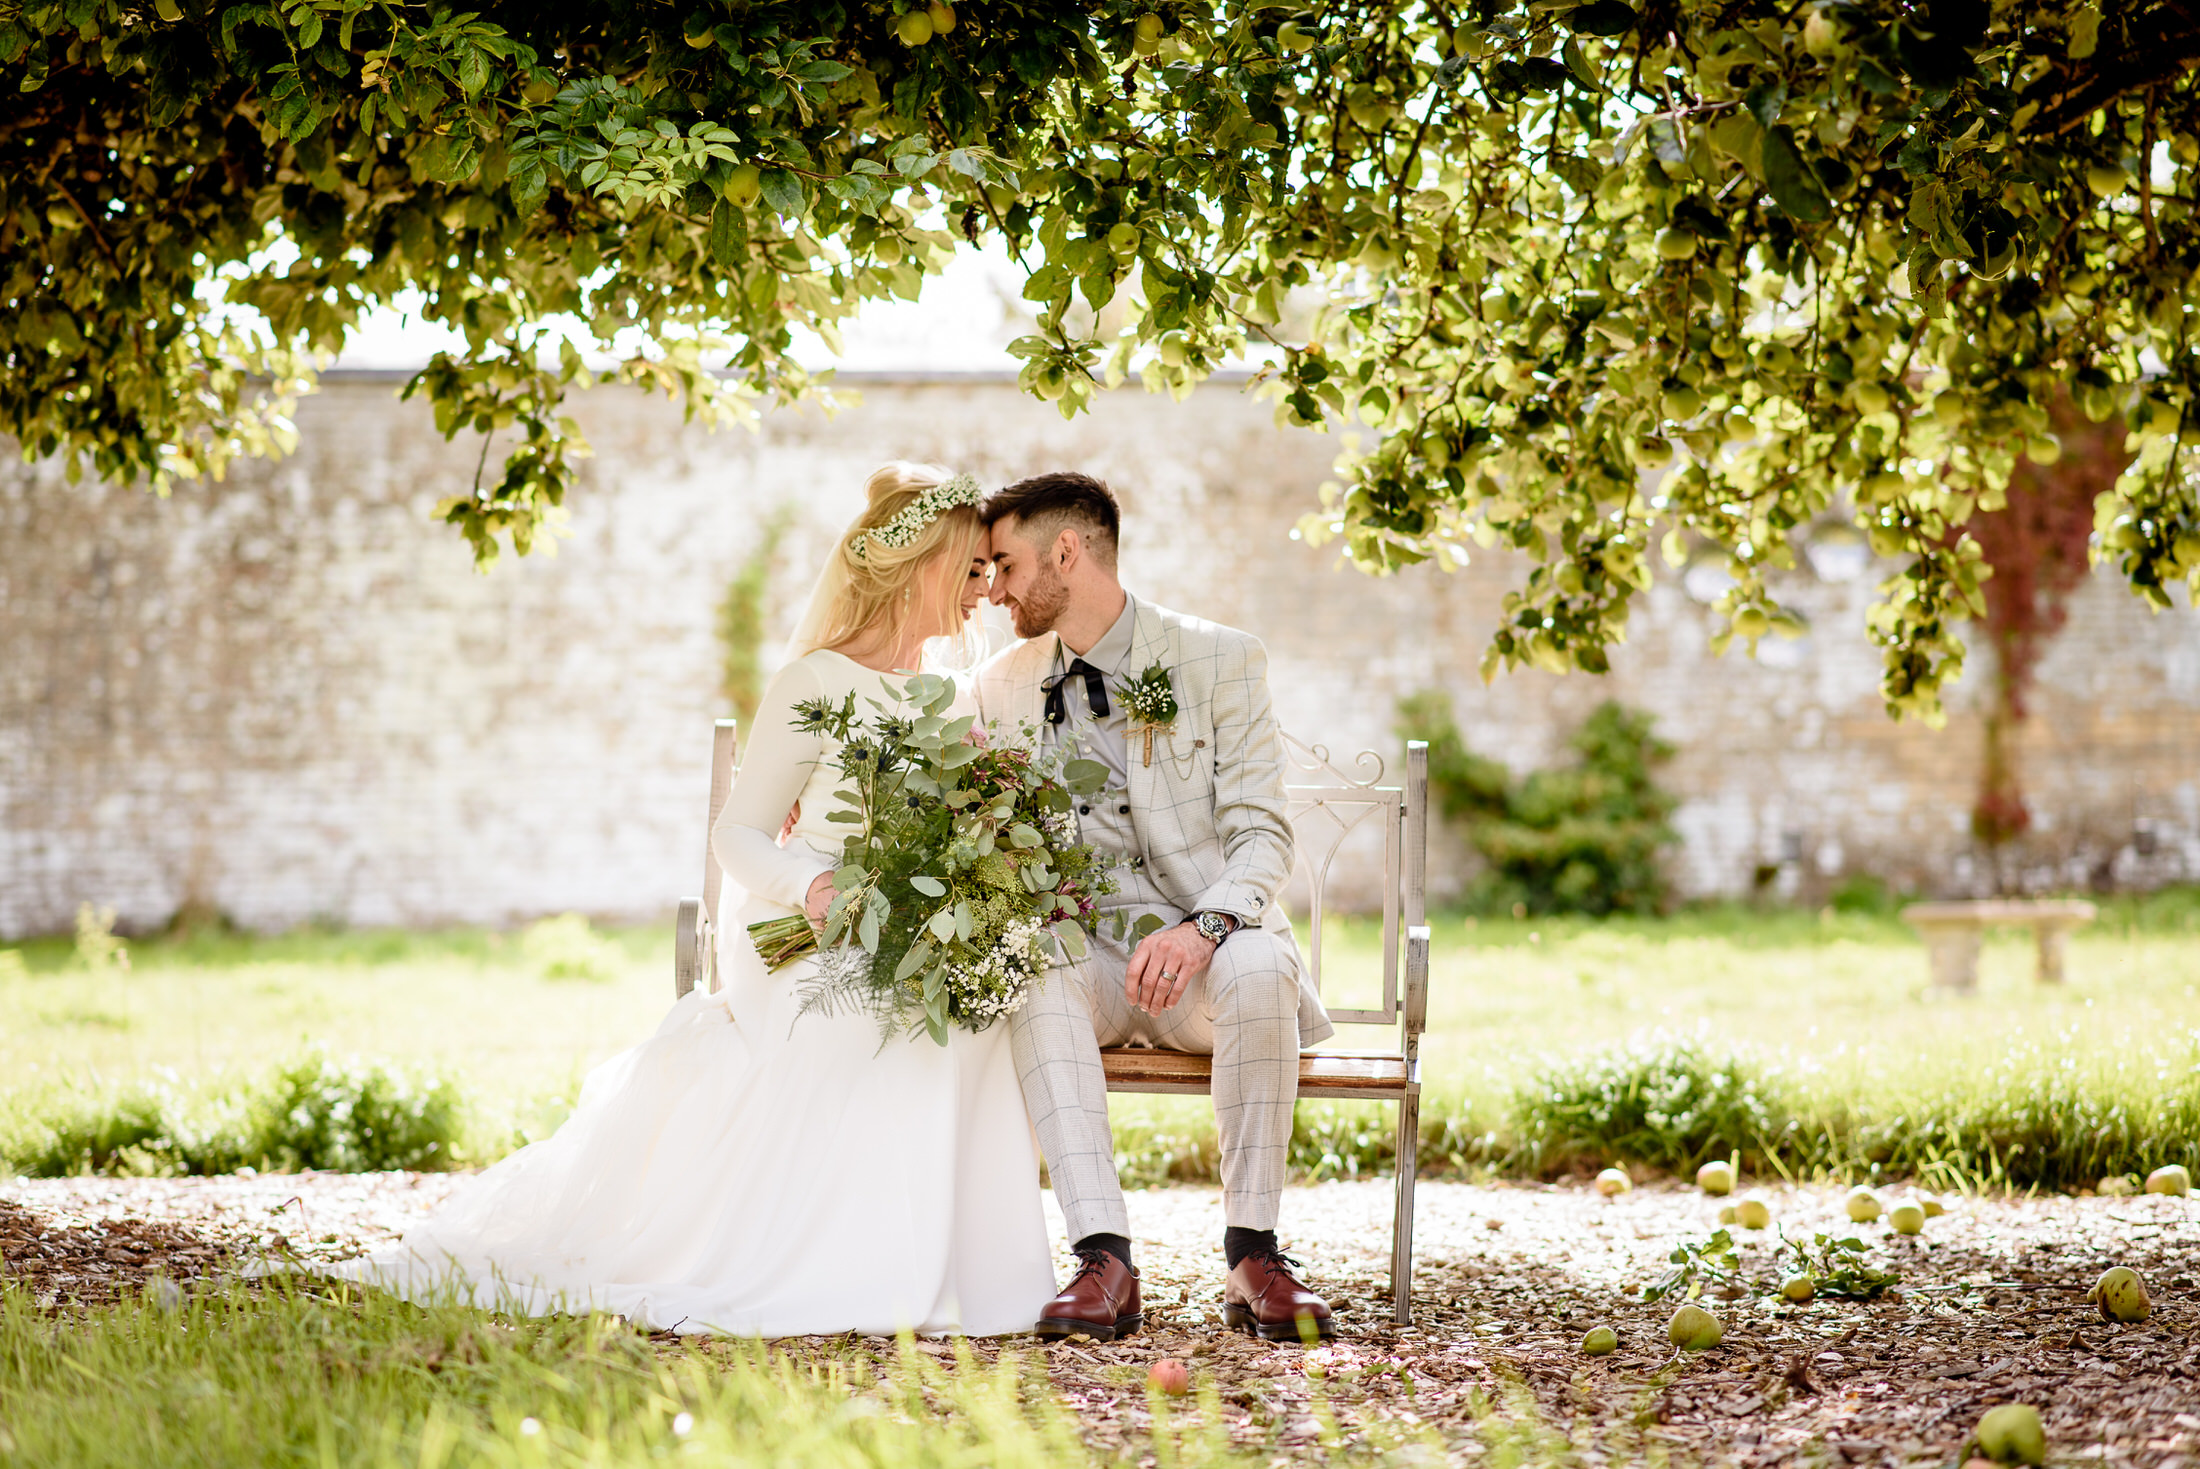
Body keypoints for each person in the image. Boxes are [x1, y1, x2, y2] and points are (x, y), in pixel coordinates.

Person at [331, 463, 1056, 1337]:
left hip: (914, 911)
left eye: (989, 571)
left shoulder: (953, 694)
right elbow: (739, 835)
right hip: (806, 919)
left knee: (973, 1014)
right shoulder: (814, 683)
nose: (984, 590)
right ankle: (850, 1267)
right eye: (970, 570)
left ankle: (965, 1278)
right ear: (920, 569)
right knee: (866, 1012)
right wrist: (813, 882)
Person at [973, 471, 1338, 1345]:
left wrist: (1204, 926)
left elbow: (1262, 836)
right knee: (1029, 963)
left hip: (1207, 959)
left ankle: (1254, 1254)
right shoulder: (999, 684)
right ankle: (1105, 1261)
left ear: (1068, 552)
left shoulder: (1220, 658)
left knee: (1260, 965)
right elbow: (922, 761)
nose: (992, 591)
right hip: (1092, 960)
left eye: (1006, 565)